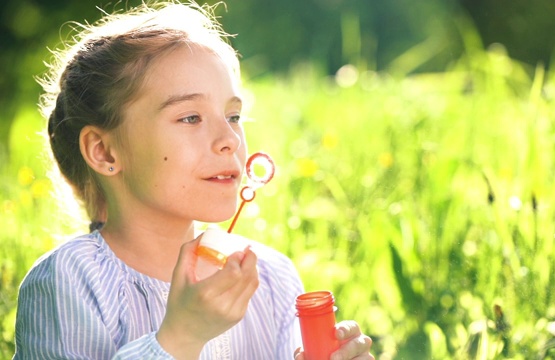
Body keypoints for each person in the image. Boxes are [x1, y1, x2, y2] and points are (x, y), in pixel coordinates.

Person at [13, 1, 374, 359]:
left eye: (233, 116)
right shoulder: (68, 281)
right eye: (190, 118)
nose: (230, 139)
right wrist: (181, 337)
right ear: (105, 152)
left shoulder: (273, 278)